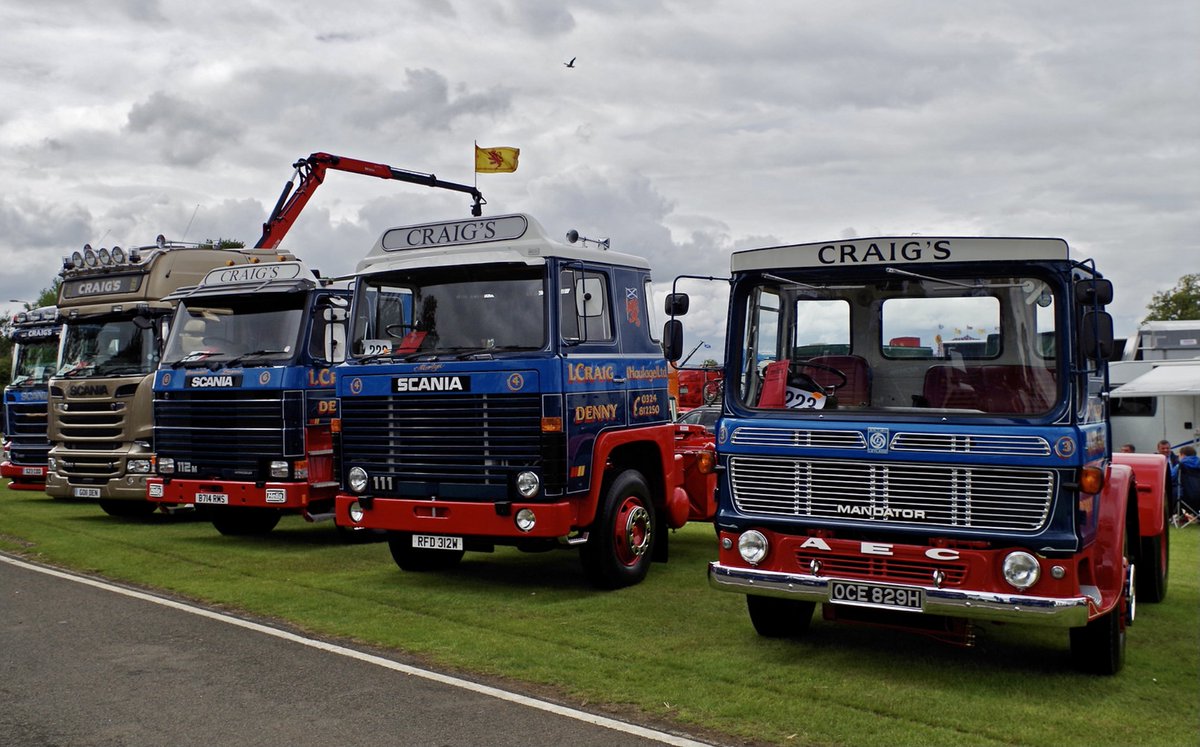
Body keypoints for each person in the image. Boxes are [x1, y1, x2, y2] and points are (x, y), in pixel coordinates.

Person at [1158, 440, 1181, 515]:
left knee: (1176, 492)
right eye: (1163, 448)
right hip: (1160, 483)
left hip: (1173, 484)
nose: (1166, 450)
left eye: (1167, 448)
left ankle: (1172, 513)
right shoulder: (1154, 459)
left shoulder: (1177, 459)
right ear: (1158, 449)